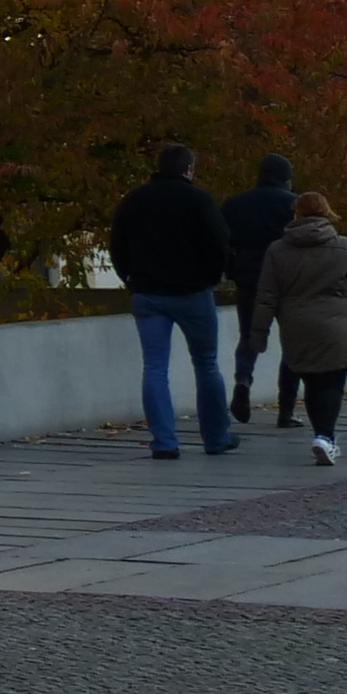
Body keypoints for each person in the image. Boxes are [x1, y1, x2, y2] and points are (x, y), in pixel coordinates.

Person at [246, 192, 347, 466]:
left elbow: (266, 297)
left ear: (296, 214)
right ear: (327, 213)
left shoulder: (277, 250)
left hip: (297, 327)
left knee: (311, 382)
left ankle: (322, 435)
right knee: (332, 382)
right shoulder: (345, 247)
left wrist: (257, 336)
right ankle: (325, 436)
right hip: (338, 326)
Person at [108, 140, 236, 459]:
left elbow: (117, 246)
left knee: (154, 367)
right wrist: (210, 277)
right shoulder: (199, 200)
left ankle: (164, 442)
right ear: (188, 169)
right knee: (206, 364)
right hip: (193, 293)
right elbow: (220, 244)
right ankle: (216, 437)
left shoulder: (134, 201)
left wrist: (130, 278)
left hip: (148, 295)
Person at [219, 155, 300, 424]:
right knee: (291, 342)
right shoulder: (293, 205)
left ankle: (243, 380)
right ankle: (286, 409)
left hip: (249, 277)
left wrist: (232, 270)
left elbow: (223, 242)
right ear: (286, 177)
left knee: (249, 337)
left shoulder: (235, 205)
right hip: (287, 280)